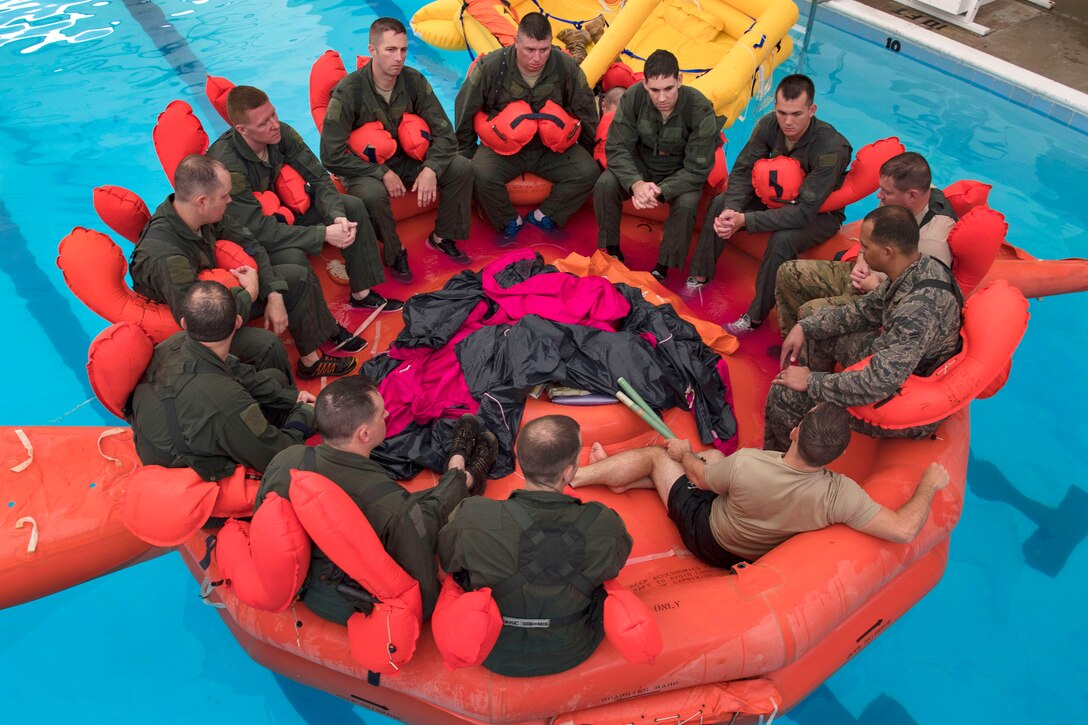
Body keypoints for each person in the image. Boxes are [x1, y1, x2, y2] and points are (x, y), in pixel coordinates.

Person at [570, 403, 950, 567]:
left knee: (663, 457)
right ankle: (624, 480)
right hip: (747, 553)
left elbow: (700, 478)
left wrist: (683, 452)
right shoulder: (841, 493)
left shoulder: (750, 463)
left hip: (709, 534)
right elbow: (902, 529)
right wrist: (929, 485)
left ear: (796, 432)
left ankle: (580, 475)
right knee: (715, 460)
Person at [257, 378, 497, 624]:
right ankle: (461, 475)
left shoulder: (286, 459)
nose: (388, 413)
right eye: (382, 415)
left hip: (309, 581)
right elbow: (422, 582)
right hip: (347, 601)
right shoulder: (389, 502)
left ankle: (458, 473)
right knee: (422, 514)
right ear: (364, 434)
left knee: (409, 510)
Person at [130, 154, 362, 380]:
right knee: (267, 345)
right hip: (202, 327)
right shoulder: (166, 256)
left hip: (218, 292)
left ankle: (311, 361)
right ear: (202, 201)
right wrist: (249, 294)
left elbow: (251, 243)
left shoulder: (201, 212)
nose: (230, 200)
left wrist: (272, 292)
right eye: (225, 196)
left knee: (297, 276)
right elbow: (198, 321)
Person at [437, 415, 632, 677]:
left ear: (520, 460)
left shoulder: (472, 517)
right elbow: (616, 563)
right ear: (569, 472)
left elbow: (448, 560)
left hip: (493, 648)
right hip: (574, 646)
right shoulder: (604, 523)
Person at [766, 205, 962, 449]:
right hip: (897, 363)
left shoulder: (918, 310)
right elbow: (864, 310)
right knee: (818, 332)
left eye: (866, 247)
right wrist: (805, 327)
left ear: (888, 252)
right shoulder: (917, 268)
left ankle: (783, 463)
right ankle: (812, 411)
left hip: (904, 396)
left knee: (785, 395)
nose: (862, 252)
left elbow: (879, 382)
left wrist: (813, 382)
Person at [208, 84, 402, 312]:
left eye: (273, 114)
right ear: (242, 130)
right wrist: (324, 234)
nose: (274, 125)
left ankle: (362, 294)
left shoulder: (282, 133)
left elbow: (319, 177)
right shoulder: (229, 165)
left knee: (351, 207)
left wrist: (336, 216)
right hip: (256, 233)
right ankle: (323, 328)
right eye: (263, 123)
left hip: (287, 213)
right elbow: (257, 229)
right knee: (292, 258)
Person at [686, 74, 852, 335]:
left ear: (812, 110)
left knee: (783, 239)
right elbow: (742, 171)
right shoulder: (768, 125)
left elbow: (804, 211)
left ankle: (755, 317)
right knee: (720, 204)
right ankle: (699, 276)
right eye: (782, 112)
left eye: (796, 113)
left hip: (818, 213)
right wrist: (733, 209)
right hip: (775, 199)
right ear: (775, 107)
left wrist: (746, 221)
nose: (787, 121)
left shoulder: (831, 147)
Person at [320, 17, 473, 282]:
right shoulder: (348, 92)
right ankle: (395, 252)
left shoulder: (414, 81)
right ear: (372, 50)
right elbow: (330, 155)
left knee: (461, 167)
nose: (399, 57)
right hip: (364, 168)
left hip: (407, 159)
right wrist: (380, 172)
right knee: (371, 194)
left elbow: (445, 134)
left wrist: (430, 169)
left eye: (403, 49)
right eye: (390, 49)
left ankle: (442, 236)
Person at [129, 281, 316, 480]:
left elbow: (238, 373)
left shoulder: (173, 344)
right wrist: (303, 416)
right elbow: (275, 454)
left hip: (162, 433)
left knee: (274, 379)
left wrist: (293, 398)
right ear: (237, 321)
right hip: (182, 467)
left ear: (184, 323)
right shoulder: (226, 402)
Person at [774, 152, 958, 337]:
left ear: (912, 196)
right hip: (869, 274)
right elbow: (873, 236)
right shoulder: (900, 199)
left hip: (881, 300)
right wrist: (862, 260)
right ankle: (792, 343)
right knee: (787, 271)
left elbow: (915, 303)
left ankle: (808, 354)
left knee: (812, 312)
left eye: (886, 192)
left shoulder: (933, 241)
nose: (879, 195)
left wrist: (874, 286)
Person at [454, 12, 599, 241]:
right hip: (503, 149)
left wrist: (591, 151)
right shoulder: (490, 67)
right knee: (478, 173)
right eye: (530, 50)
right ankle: (508, 220)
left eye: (544, 49)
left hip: (550, 149)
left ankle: (546, 215)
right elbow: (465, 109)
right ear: (516, 42)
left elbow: (586, 110)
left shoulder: (566, 67)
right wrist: (466, 153)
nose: (537, 58)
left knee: (588, 172)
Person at [593, 49, 720, 277]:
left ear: (679, 80)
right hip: (641, 166)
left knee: (688, 203)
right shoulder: (632, 98)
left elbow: (697, 168)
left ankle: (663, 267)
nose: (662, 98)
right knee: (606, 184)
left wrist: (662, 189)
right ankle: (610, 249)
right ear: (645, 85)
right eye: (654, 90)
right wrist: (636, 184)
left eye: (668, 88)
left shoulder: (700, 109)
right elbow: (616, 147)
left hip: (679, 172)